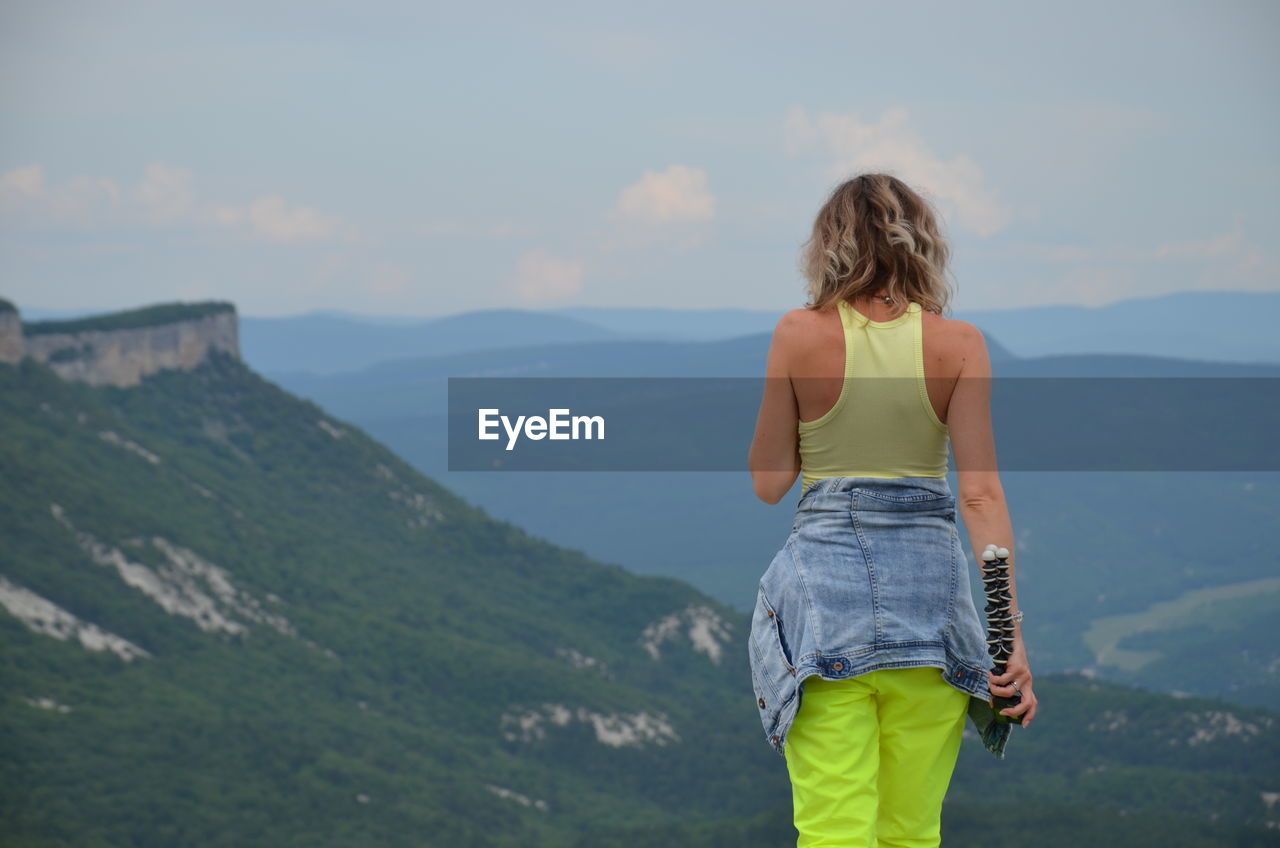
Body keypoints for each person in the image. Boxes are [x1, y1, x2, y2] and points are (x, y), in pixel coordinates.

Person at [746, 173, 1038, 847]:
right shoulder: (960, 345)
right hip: (932, 621)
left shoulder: (798, 334)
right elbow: (981, 497)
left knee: (834, 833)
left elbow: (768, 481)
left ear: (829, 246)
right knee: (911, 833)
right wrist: (1006, 639)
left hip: (827, 618)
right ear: (923, 244)